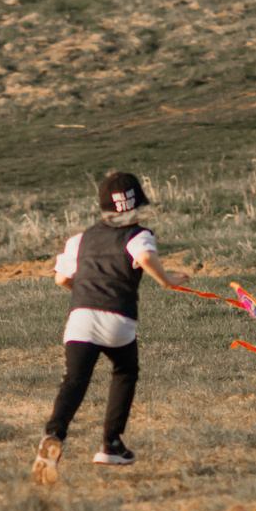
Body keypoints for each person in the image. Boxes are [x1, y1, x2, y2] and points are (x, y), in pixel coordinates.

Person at [32, 171, 191, 483]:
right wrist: (168, 279)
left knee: (75, 379)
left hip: (80, 318)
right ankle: (111, 444)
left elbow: (62, 278)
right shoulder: (138, 234)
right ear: (137, 204)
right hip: (117, 318)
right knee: (125, 371)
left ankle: (53, 434)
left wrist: (86, 292)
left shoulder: (80, 239)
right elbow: (144, 256)